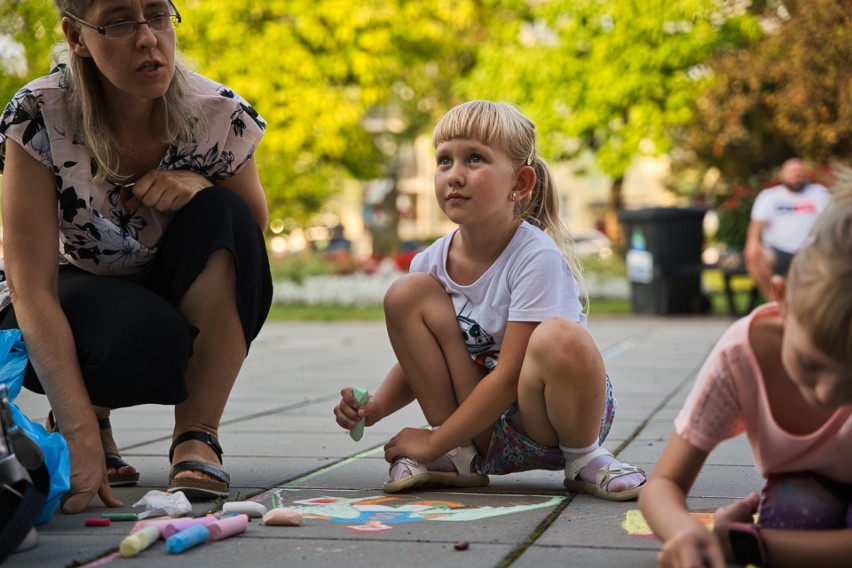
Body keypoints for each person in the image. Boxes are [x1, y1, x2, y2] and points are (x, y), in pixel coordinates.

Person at [0, 0, 272, 513]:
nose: (147, 37)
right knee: (145, 341)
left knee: (226, 212)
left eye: (157, 14)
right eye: (121, 21)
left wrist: (200, 184)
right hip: (62, 288)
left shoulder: (217, 113)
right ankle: (88, 417)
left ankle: (198, 435)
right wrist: (77, 432)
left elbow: (248, 238)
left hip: (161, 284)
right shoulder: (38, 113)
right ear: (77, 37)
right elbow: (29, 286)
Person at [334, 100, 645, 500]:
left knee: (560, 336)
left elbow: (510, 377)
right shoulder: (430, 261)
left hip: (550, 420)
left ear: (520, 184)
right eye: (444, 161)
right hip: (480, 427)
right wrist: (375, 407)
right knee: (405, 294)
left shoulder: (535, 256)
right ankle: (459, 455)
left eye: (474, 159)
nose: (454, 175)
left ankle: (585, 459)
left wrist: (430, 442)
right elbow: (420, 358)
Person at [638, 184, 852, 567]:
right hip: (804, 494)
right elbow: (663, 484)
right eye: (811, 364)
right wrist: (685, 532)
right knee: (796, 513)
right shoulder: (741, 357)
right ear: (782, 299)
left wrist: (744, 545)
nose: (827, 394)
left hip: (772, 533)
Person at [744, 157, 830, 301]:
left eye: (801, 171)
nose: (798, 173)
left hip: (811, 251)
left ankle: (815, 309)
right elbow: (757, 224)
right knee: (756, 258)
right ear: (782, 175)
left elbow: (832, 221)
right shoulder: (770, 196)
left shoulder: (819, 194)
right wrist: (752, 243)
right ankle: (775, 303)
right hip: (778, 251)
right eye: (793, 171)